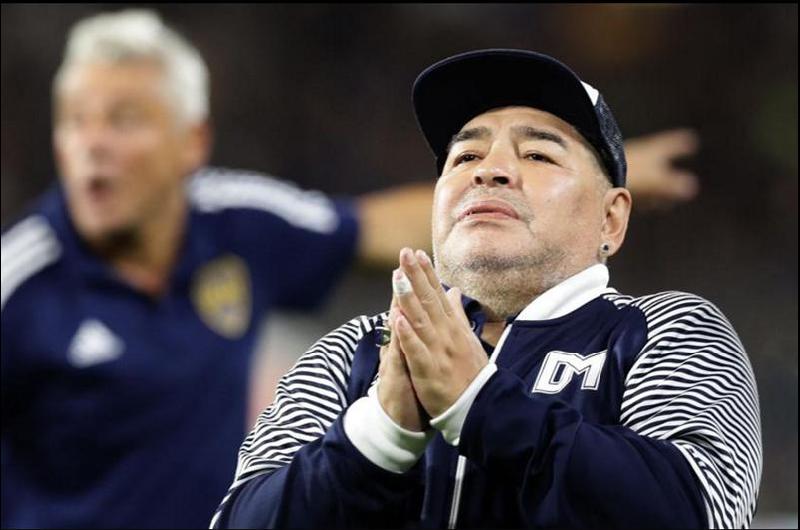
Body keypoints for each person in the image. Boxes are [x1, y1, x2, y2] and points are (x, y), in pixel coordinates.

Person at [0, 8, 702, 529]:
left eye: (122, 119)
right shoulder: (21, 279)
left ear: (192, 141)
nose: (93, 145)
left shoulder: (240, 223)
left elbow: (370, 226)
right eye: (75, 121)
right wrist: (382, 433)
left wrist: (574, 183)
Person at [211, 49, 762, 529]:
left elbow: (697, 512)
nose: (489, 170)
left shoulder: (666, 329)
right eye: (466, 156)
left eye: (539, 154)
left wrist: (482, 406)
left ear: (610, 220)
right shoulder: (350, 352)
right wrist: (380, 435)